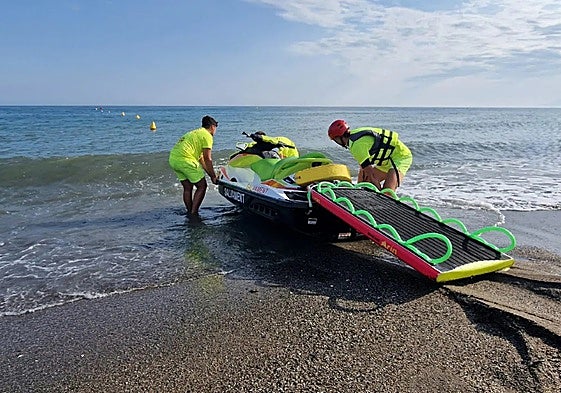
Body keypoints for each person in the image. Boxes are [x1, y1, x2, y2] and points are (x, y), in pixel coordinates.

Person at [327, 119, 412, 192]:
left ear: (340, 138)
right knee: (366, 183)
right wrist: (358, 189)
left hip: (400, 157)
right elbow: (363, 169)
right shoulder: (353, 138)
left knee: (387, 192)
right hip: (386, 161)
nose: (337, 143)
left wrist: (379, 195)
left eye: (335, 140)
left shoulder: (356, 146)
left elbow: (372, 176)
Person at [169, 115, 219, 216]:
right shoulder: (207, 135)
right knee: (202, 186)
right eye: (216, 129)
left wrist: (211, 175)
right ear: (212, 127)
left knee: (187, 188)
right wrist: (213, 177)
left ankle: (189, 211)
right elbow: (208, 159)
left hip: (174, 159)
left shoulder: (194, 133)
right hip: (186, 160)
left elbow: (201, 159)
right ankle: (194, 213)